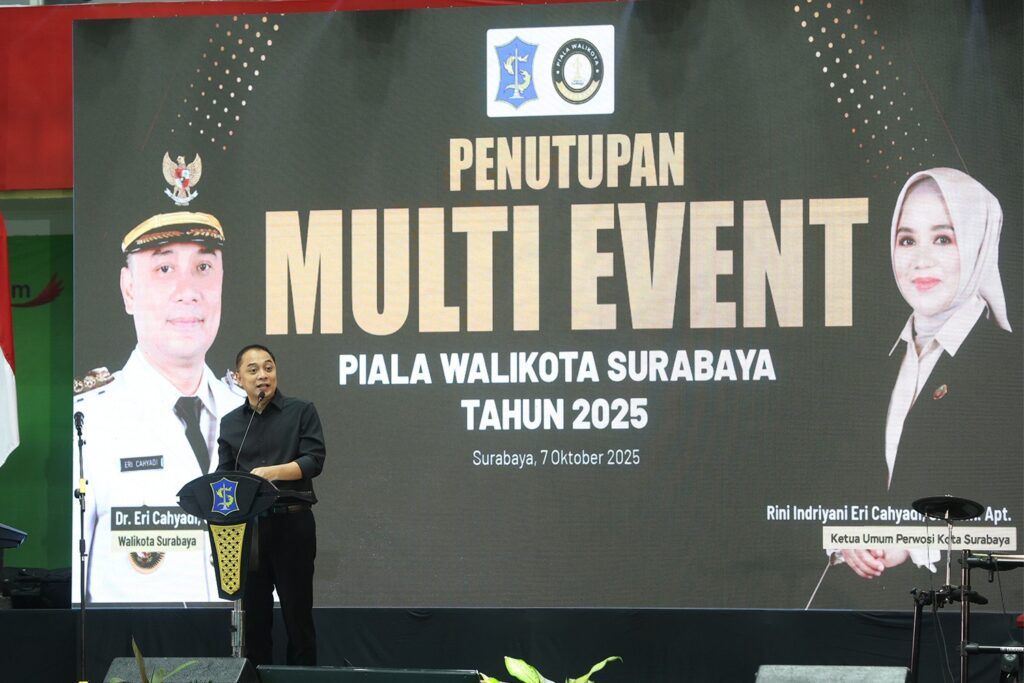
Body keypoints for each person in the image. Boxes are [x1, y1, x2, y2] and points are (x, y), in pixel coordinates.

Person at [839, 168, 1021, 582]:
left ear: (977, 243)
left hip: (973, 603)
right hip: (863, 603)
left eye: (943, 238)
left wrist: (911, 543)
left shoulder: (1009, 366)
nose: (920, 259)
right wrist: (848, 540)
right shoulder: (877, 361)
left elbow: (1008, 508)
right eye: (907, 240)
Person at [72, 210, 242, 603]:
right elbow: (74, 597)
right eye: (164, 268)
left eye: (203, 267)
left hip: (245, 639)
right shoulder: (87, 421)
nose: (188, 291)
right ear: (129, 289)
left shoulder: (252, 415)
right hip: (137, 644)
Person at [216, 344, 326, 666]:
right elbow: (224, 476)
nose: (262, 375)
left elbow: (313, 461)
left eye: (268, 367)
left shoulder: (301, 411)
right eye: (253, 370)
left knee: (297, 619)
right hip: (250, 532)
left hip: (292, 524)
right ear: (238, 378)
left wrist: (270, 473)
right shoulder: (230, 423)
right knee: (255, 623)